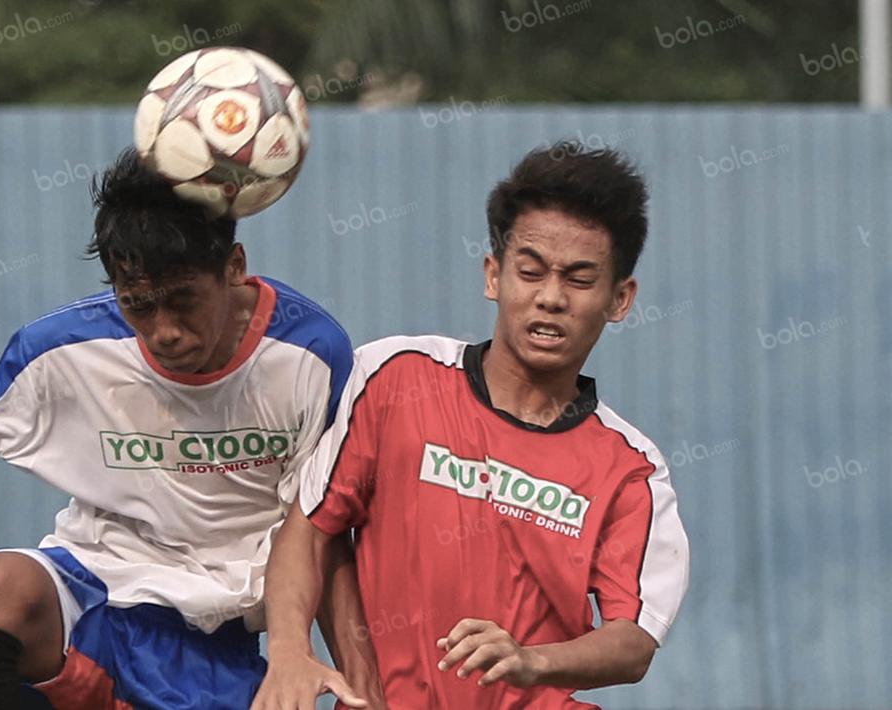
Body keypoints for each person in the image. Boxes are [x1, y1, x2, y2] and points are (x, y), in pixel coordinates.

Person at [0, 149, 382, 710]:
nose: (163, 329)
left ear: (234, 267)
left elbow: (323, 535)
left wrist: (347, 680)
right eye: (138, 303)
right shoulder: (60, 351)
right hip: (97, 598)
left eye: (182, 299)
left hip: (224, 637)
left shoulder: (310, 354)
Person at [253, 141, 691, 709]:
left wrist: (534, 661)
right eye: (530, 272)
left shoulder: (631, 469)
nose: (550, 298)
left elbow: (633, 642)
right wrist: (289, 649)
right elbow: (311, 524)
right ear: (494, 276)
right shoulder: (395, 377)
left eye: (580, 280)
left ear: (620, 299)